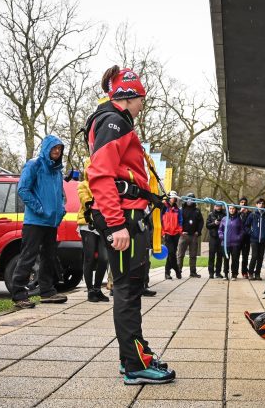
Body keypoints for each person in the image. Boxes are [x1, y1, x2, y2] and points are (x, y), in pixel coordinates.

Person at [84, 65, 175, 385]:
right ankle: (134, 365)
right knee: (127, 290)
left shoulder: (114, 122)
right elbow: (100, 175)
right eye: (141, 100)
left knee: (131, 288)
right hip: (125, 221)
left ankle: (134, 354)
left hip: (130, 217)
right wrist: (116, 225)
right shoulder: (113, 122)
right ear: (128, 97)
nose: (142, 106)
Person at [10, 135, 68, 309]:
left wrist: (61, 209)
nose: (57, 151)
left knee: (49, 257)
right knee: (28, 257)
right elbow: (23, 189)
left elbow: (60, 194)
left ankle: (47, 291)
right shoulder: (34, 164)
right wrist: (40, 209)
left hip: (51, 222)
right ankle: (19, 295)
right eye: (54, 148)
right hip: (35, 221)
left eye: (59, 149)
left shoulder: (57, 171)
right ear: (46, 148)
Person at [77, 158, 109, 303]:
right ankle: (90, 290)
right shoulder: (83, 185)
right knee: (89, 257)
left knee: (104, 258)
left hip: (103, 224)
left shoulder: (105, 185)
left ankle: (97, 289)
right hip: (87, 223)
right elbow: (85, 201)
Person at [176, 193, 204, 277]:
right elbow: (177, 222)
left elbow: (201, 222)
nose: (190, 201)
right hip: (183, 235)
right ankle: (179, 271)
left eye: (192, 199)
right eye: (188, 199)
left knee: (193, 255)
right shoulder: (181, 210)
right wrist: (180, 231)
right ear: (186, 199)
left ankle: (193, 272)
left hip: (193, 236)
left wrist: (198, 232)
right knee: (180, 255)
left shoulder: (197, 210)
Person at [246, 198, 265, 280]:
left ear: (264, 205)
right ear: (256, 205)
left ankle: (257, 273)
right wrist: (251, 233)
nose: (261, 205)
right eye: (259, 203)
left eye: (262, 203)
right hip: (254, 239)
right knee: (254, 256)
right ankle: (250, 273)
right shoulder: (253, 215)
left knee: (260, 257)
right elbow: (246, 226)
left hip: (263, 240)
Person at [219, 205, 245, 280]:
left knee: (235, 260)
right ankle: (226, 274)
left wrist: (239, 237)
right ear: (228, 209)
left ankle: (234, 274)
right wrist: (221, 236)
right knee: (226, 259)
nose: (232, 210)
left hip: (235, 244)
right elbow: (220, 230)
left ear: (235, 209)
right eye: (230, 208)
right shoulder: (224, 219)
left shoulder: (239, 219)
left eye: (233, 208)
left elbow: (242, 230)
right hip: (225, 243)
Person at [161, 191, 183, 280]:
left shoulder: (178, 209)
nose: (174, 199)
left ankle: (169, 272)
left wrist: (180, 230)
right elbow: (160, 220)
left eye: (175, 198)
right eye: (172, 197)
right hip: (167, 233)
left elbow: (180, 221)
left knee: (172, 253)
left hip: (176, 234)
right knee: (170, 252)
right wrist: (162, 232)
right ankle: (175, 269)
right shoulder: (163, 207)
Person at [206, 203, 227, 278]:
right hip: (213, 237)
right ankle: (211, 273)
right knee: (211, 255)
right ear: (214, 206)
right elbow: (207, 225)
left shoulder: (225, 214)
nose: (218, 207)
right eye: (217, 206)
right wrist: (214, 223)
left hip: (221, 238)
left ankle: (218, 272)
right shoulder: (210, 214)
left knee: (220, 256)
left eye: (219, 206)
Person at [238, 197, 252, 278]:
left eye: (244, 202)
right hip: (237, 237)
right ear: (239, 203)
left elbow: (249, 223)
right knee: (235, 255)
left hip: (246, 237)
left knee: (245, 256)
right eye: (241, 202)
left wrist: (247, 213)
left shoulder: (249, 213)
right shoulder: (236, 212)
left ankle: (244, 272)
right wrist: (240, 212)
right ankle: (235, 272)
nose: (243, 203)